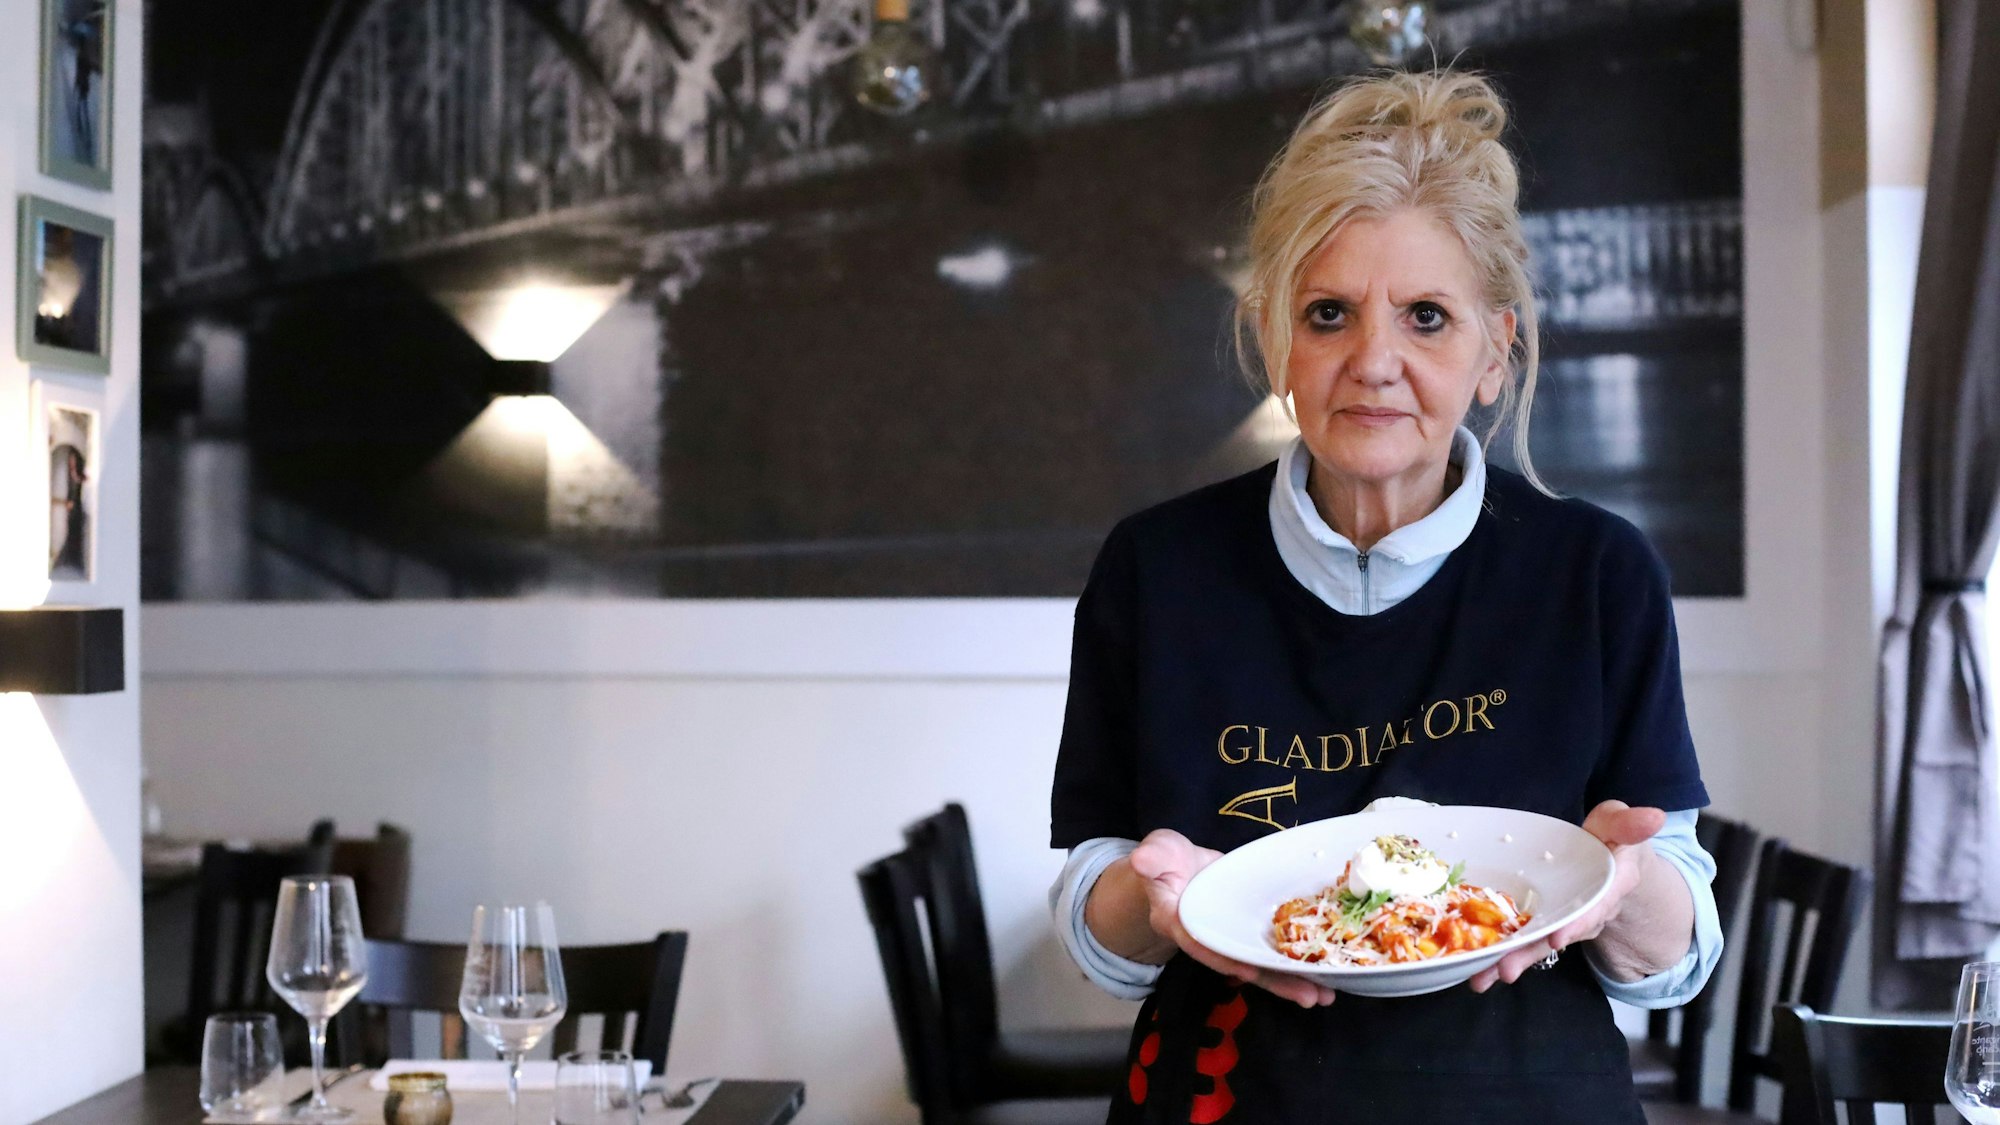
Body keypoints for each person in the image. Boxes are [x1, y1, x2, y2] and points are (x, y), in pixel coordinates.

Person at [1048, 69, 1720, 1123]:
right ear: (1275, 340)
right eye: (1328, 314)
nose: (1374, 361)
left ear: (1492, 352)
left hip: (1524, 1098)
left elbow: (1671, 961)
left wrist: (1619, 889)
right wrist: (1153, 893)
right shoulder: (1155, 570)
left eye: (1424, 316)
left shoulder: (1594, 574)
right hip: (1228, 1095)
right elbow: (1101, 924)